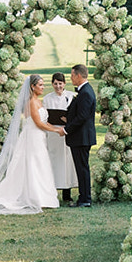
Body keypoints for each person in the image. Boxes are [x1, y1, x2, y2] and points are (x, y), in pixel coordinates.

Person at [0, 75, 63, 215]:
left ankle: (44, 196)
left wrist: (58, 128)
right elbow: (38, 123)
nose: (43, 87)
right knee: (34, 164)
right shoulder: (31, 102)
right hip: (32, 136)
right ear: (32, 86)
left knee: (41, 164)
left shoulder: (39, 101)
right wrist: (56, 130)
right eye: (40, 85)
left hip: (39, 136)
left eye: (43, 85)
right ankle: (35, 196)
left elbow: (45, 121)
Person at [64, 64, 97, 207]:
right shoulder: (84, 91)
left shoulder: (86, 93)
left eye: (72, 75)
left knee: (82, 168)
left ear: (78, 75)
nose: (71, 78)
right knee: (81, 168)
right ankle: (84, 197)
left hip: (81, 137)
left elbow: (82, 116)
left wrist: (66, 129)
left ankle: (85, 199)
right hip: (81, 137)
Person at [45, 72, 78, 205]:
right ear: (52, 84)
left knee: (67, 161)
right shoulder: (47, 98)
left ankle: (67, 193)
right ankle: (52, 191)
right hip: (53, 133)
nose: (58, 86)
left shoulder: (71, 96)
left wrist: (68, 120)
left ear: (64, 84)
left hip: (67, 132)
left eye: (60, 83)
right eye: (55, 84)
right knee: (54, 161)